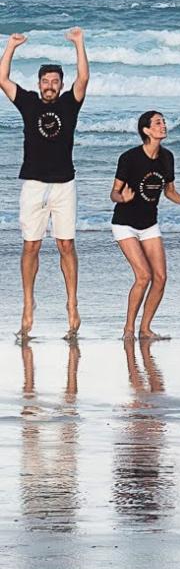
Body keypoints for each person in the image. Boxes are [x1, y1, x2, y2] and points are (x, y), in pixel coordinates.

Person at [1, 27, 88, 339]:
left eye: (55, 81)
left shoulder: (69, 104)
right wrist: (11, 46)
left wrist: (79, 43)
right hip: (34, 184)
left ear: (60, 85)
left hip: (65, 184)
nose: (50, 85)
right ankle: (28, 304)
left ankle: (72, 304)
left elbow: (83, 79)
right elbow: (2, 79)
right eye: (46, 81)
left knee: (66, 245)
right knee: (31, 246)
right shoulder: (28, 103)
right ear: (39, 85)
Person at [109, 110, 180, 340]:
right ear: (146, 130)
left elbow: (169, 191)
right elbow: (114, 194)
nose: (163, 126)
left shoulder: (167, 157)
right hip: (124, 223)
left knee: (160, 277)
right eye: (158, 123)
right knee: (143, 275)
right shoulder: (129, 158)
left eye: (164, 122)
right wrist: (123, 198)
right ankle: (128, 329)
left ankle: (145, 329)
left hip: (149, 224)